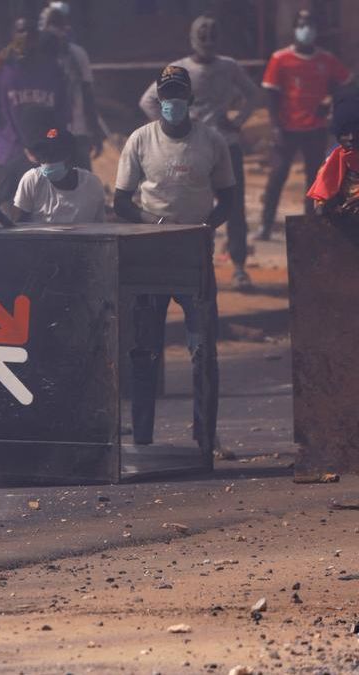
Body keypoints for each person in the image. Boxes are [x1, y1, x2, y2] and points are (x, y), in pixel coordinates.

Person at [115, 65, 235, 456]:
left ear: (190, 101)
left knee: (203, 350)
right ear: (158, 101)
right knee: (144, 349)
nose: (171, 104)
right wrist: (154, 222)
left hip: (195, 255)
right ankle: (144, 439)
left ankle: (205, 437)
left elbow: (228, 199)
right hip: (151, 254)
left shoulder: (211, 141)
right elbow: (121, 202)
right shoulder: (139, 140)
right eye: (166, 97)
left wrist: (206, 227)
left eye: (178, 96)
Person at [139, 15, 261, 290]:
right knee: (191, 206)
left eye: (212, 37)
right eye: (202, 36)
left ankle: (239, 266)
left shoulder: (229, 67)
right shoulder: (179, 69)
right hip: (193, 148)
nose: (207, 42)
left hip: (225, 145)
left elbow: (254, 94)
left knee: (233, 206)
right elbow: (148, 100)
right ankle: (194, 262)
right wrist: (171, 127)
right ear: (192, 38)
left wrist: (238, 121)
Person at [259, 10, 352, 239]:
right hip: (287, 128)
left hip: (316, 128)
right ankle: (265, 226)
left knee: (314, 179)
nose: (306, 30)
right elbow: (270, 93)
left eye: (310, 25)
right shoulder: (280, 59)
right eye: (302, 25)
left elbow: (347, 81)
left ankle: (310, 226)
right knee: (278, 176)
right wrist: (274, 126)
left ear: (316, 31)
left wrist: (332, 100)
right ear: (294, 30)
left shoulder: (326, 60)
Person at [0, 17, 69, 211]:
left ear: (37, 38)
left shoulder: (53, 68)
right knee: (7, 212)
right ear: (12, 36)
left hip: (44, 157)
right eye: (20, 32)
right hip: (8, 153)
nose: (25, 37)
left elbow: (60, 118)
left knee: (42, 215)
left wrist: (52, 146)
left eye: (30, 33)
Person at [39, 5, 102, 171]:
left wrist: (94, 130)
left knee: (81, 180)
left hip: (76, 131)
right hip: (50, 132)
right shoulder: (38, 57)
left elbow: (87, 93)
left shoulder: (77, 54)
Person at [8, 126, 104, 224]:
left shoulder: (91, 184)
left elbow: (99, 225)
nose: (48, 162)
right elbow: (17, 224)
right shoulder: (33, 180)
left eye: (55, 156)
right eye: (45, 156)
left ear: (70, 158)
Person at [306, 96, 359, 219]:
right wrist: (327, 206)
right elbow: (320, 200)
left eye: (358, 131)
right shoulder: (333, 160)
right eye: (345, 133)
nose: (351, 138)